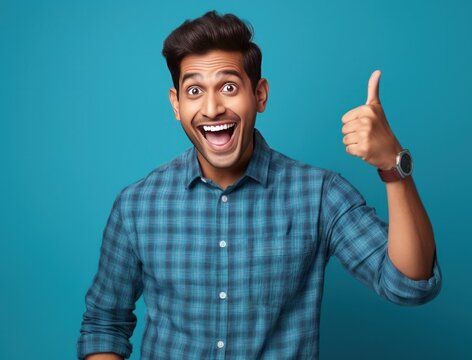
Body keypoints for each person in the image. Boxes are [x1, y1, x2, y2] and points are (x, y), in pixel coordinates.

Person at [77, 10, 442, 360]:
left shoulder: (319, 195)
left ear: (260, 95)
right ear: (176, 105)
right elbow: (104, 324)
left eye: (229, 86)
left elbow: (409, 285)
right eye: (194, 92)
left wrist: (393, 165)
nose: (212, 107)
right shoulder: (138, 205)